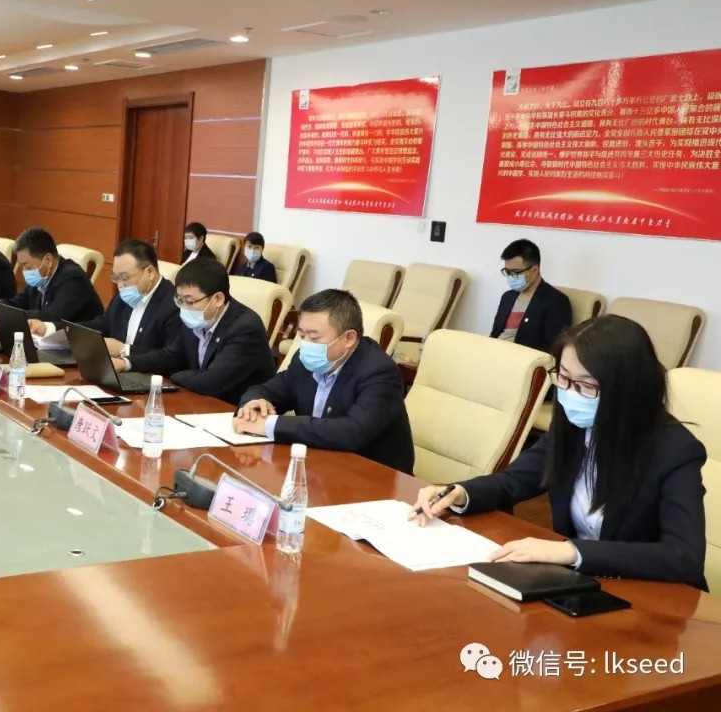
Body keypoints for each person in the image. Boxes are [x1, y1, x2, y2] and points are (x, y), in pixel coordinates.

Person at [412, 315, 707, 590]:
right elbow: (517, 479)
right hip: (580, 584)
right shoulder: (575, 423)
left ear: (627, 390)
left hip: (652, 595)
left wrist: (569, 551)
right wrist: (459, 493)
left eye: (586, 386)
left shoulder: (675, 451)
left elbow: (683, 556)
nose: (571, 394)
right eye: (564, 378)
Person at [235, 290, 414, 473]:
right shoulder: (306, 359)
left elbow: (352, 432)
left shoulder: (380, 372)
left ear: (349, 338)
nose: (306, 345)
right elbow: (268, 389)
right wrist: (254, 405)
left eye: (314, 337)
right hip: (318, 465)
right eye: (302, 335)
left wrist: (270, 425)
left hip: (372, 476)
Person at [120, 258, 276, 405]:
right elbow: (172, 356)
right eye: (180, 300)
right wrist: (126, 363)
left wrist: (173, 376)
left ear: (218, 299)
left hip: (235, 409)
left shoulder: (245, 328)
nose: (184, 307)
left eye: (189, 301)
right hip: (199, 401)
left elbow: (211, 382)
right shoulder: (198, 318)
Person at [0, 227, 102, 335]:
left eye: (26, 265)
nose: (24, 271)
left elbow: (50, 317)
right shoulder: (42, 276)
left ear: (48, 260)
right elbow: (20, 301)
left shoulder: (73, 279)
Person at [81, 239, 181, 359]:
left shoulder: (174, 305)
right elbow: (105, 323)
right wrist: (68, 331)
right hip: (114, 365)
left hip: (145, 370)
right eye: (115, 277)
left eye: (125, 277)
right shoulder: (125, 294)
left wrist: (124, 350)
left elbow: (171, 357)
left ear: (150, 272)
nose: (120, 285)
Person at [490, 239, 572, 352]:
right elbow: (494, 334)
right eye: (507, 272)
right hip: (495, 352)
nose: (510, 277)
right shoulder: (507, 297)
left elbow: (554, 347)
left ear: (534, 270)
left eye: (515, 272)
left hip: (524, 357)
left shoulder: (556, 301)